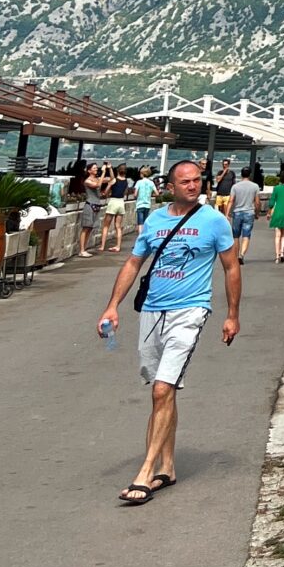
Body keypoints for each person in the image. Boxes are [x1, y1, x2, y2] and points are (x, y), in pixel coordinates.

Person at [96, 160, 239, 506]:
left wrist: (232, 314)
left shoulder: (214, 222)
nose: (193, 186)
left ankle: (145, 473)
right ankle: (168, 467)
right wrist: (113, 305)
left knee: (162, 389)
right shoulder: (156, 220)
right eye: (185, 182)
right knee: (162, 389)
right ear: (171, 186)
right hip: (151, 311)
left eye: (197, 181)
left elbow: (231, 266)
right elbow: (134, 262)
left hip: (191, 311)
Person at [227, 168, 259, 261]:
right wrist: (257, 213)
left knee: (236, 235)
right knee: (246, 234)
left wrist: (227, 214)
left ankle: (236, 255)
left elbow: (231, 200)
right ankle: (242, 254)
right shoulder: (255, 186)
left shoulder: (235, 186)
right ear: (250, 175)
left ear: (241, 174)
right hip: (249, 212)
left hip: (237, 212)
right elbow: (257, 202)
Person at [99, 169, 129, 254]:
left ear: (118, 172)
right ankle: (118, 246)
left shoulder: (114, 180)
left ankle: (102, 246)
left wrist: (109, 186)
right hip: (121, 202)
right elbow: (126, 192)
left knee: (106, 225)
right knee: (118, 226)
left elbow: (105, 192)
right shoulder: (126, 181)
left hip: (113, 201)